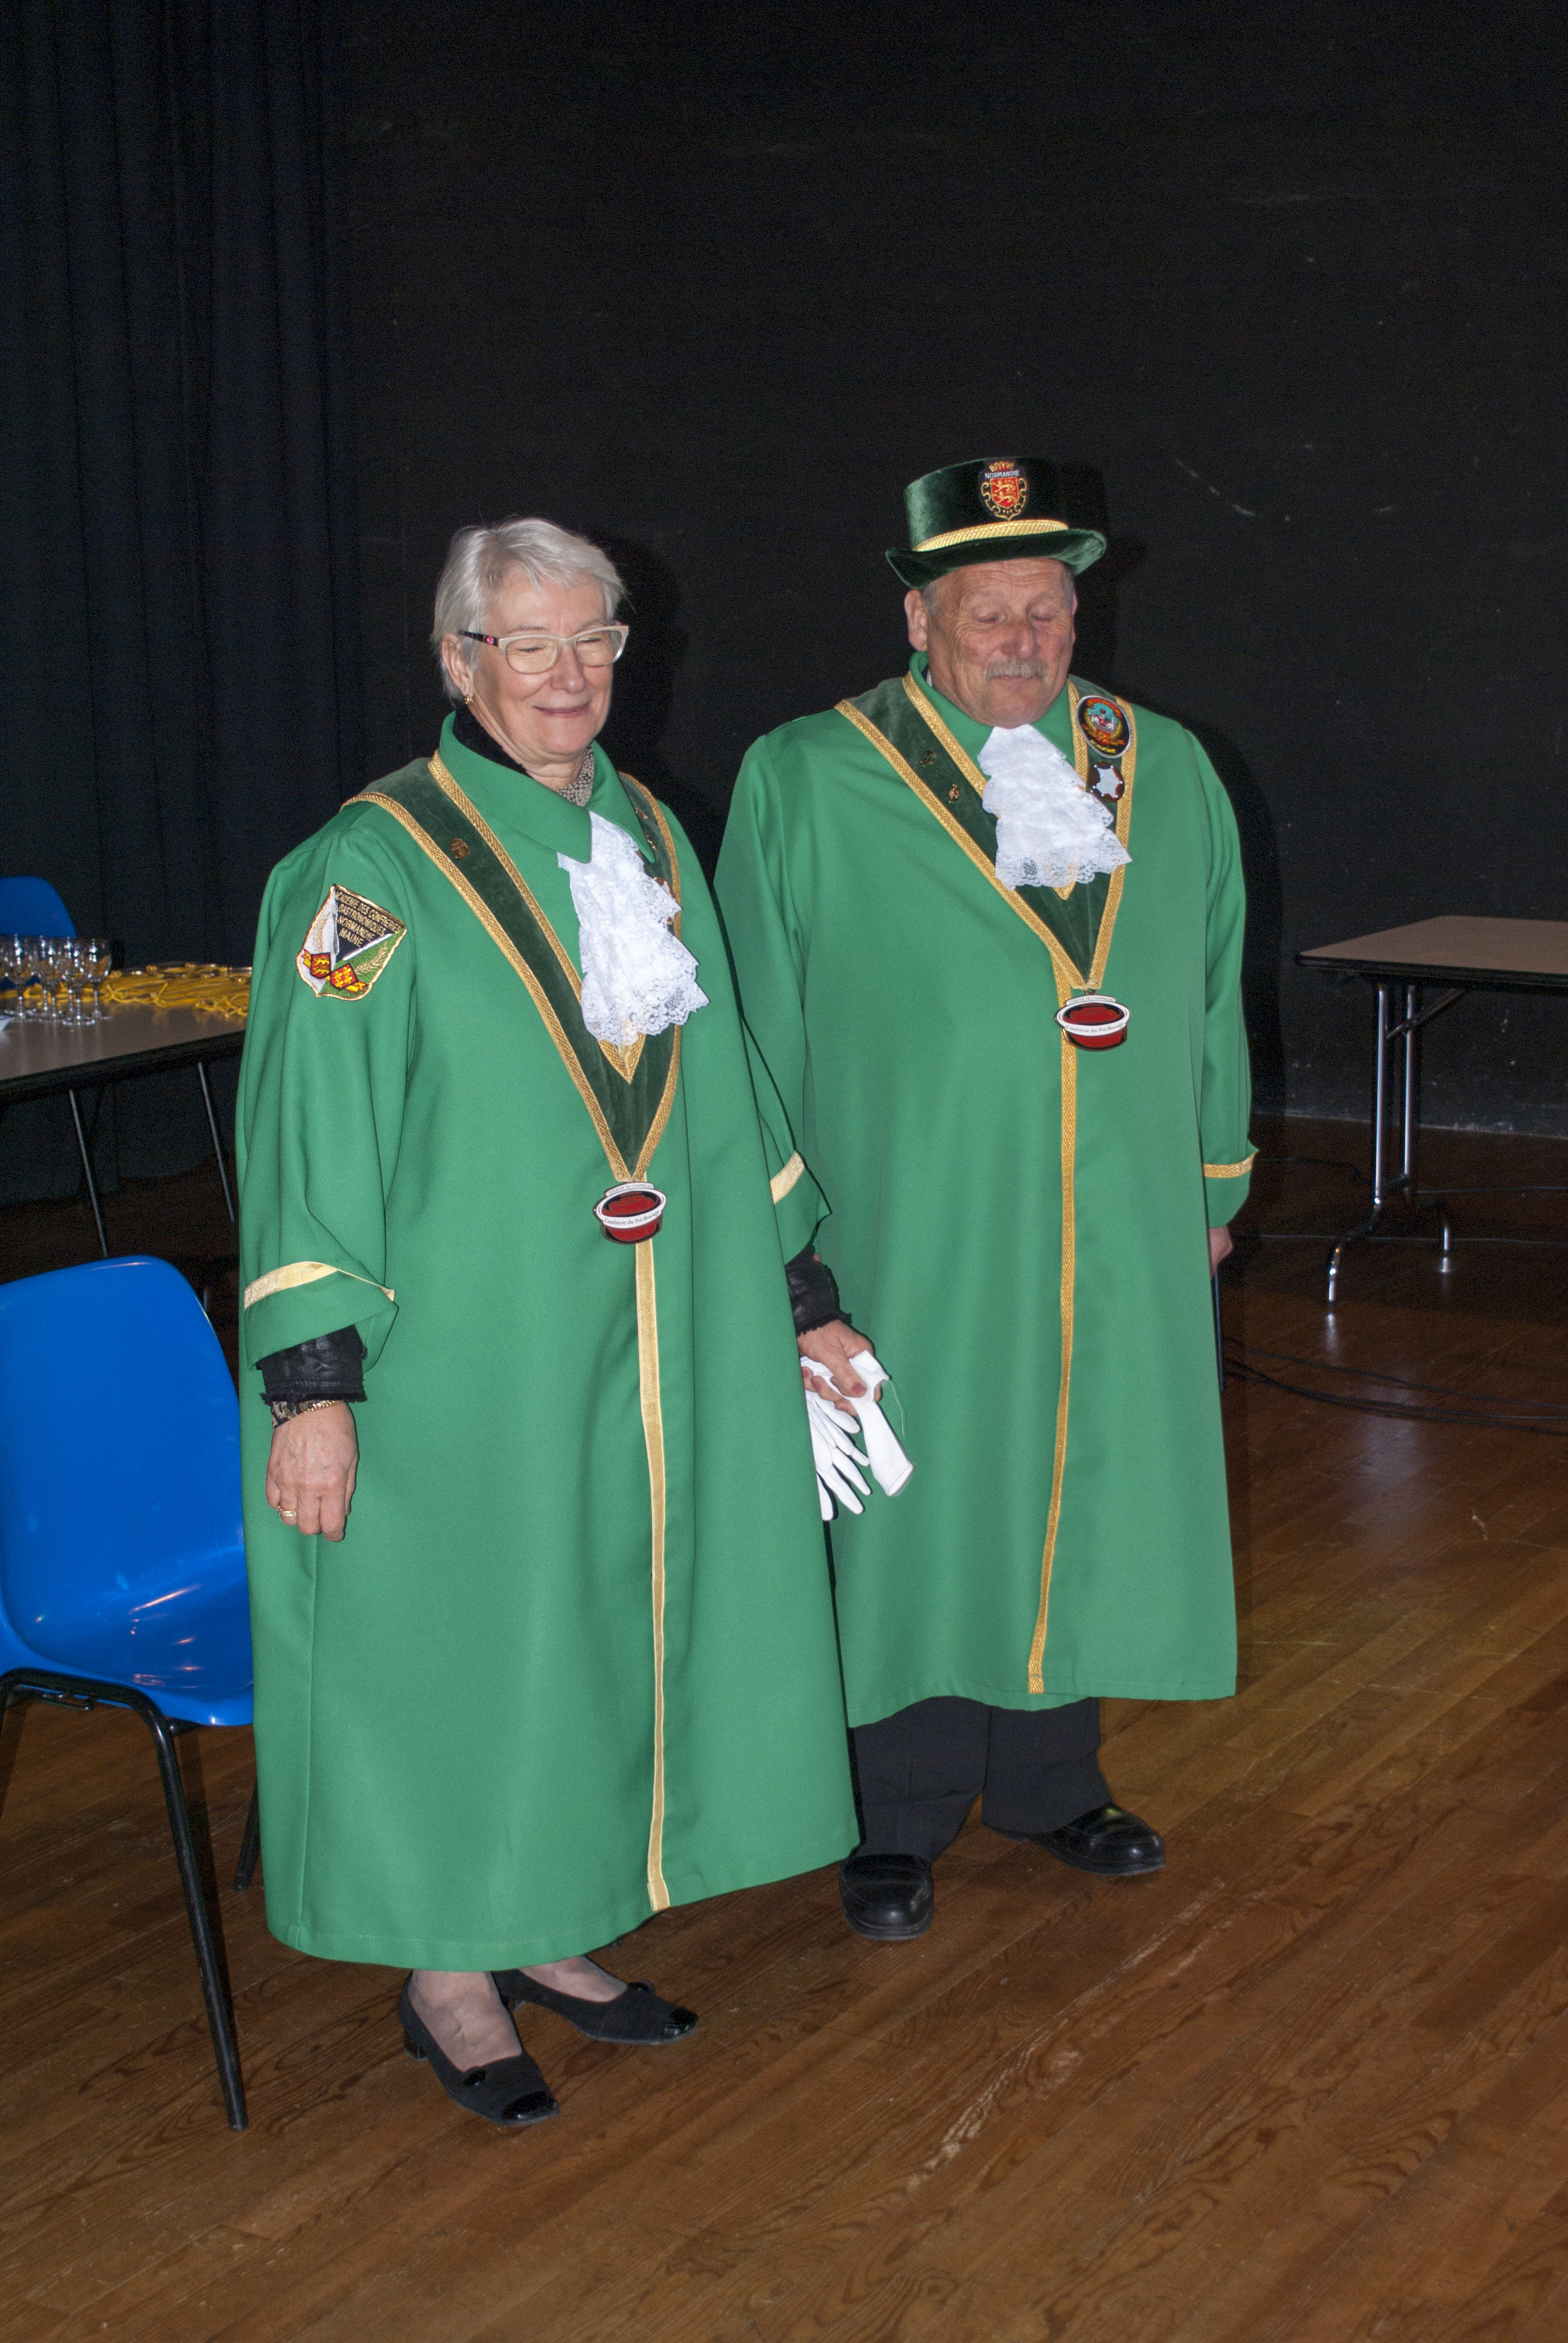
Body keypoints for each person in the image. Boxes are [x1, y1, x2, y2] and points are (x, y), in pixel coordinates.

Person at [237, 517, 857, 2126]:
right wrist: (313, 1381)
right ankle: (449, 1972)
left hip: (640, 1329)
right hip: (456, 1350)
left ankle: (545, 1918)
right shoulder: (366, 873)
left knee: (579, 1628)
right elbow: (311, 1118)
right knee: (462, 1644)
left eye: (597, 641)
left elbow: (725, 1078)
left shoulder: (647, 835)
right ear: (460, 662)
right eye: (530, 645)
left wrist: (800, 1294)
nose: (570, 676)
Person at [716, 457, 1251, 1941]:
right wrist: (785, 1247)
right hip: (909, 1216)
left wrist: (1213, 1180)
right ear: (917, 620)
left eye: (1049, 610)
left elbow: (1213, 982)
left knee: (1084, 1468)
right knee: (923, 1493)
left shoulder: (1162, 762)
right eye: (988, 611)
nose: (1024, 640)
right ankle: (892, 1807)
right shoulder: (806, 774)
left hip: (1121, 1212)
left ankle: (1050, 1779)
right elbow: (749, 1027)